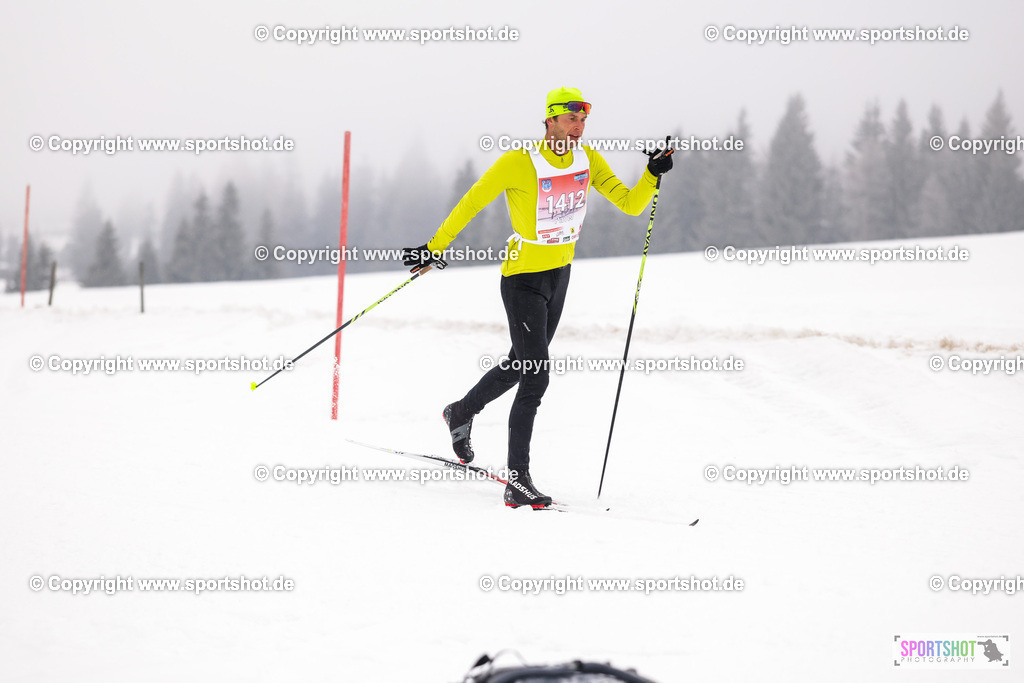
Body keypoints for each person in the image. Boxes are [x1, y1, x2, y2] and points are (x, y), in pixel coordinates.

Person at [402, 86, 673, 509]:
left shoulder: (588, 160)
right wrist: (435, 246)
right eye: (569, 119)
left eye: (582, 120)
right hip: (522, 279)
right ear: (549, 120)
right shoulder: (519, 161)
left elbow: (630, 204)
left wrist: (653, 174)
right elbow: (472, 202)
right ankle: (518, 479)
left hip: (559, 276)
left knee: (519, 362)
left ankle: (459, 412)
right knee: (536, 372)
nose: (577, 128)